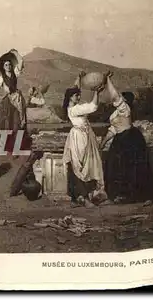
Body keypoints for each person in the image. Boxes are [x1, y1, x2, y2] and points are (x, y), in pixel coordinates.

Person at [99, 73, 153, 206]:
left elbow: (114, 96)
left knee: (137, 167)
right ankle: (116, 196)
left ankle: (147, 196)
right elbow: (113, 129)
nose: (118, 100)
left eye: (121, 99)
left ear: (125, 101)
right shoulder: (116, 113)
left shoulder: (125, 108)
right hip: (120, 139)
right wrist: (103, 142)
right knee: (113, 166)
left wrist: (108, 80)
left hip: (131, 139)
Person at [62, 72, 107, 208]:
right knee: (80, 167)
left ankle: (78, 198)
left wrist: (79, 79)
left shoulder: (73, 106)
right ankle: (83, 198)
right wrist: (96, 93)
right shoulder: (74, 110)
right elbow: (93, 107)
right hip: (79, 139)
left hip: (85, 137)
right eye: (77, 95)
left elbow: (75, 88)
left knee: (85, 166)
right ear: (71, 98)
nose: (79, 97)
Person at [0, 50, 29, 156]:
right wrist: (2, 96)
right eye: (6, 65)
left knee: (17, 125)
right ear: (3, 67)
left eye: (9, 64)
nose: (8, 66)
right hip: (7, 102)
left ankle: (16, 149)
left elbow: (21, 62)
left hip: (17, 101)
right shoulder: (1, 78)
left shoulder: (15, 73)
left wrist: (16, 52)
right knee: (5, 125)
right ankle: (3, 147)